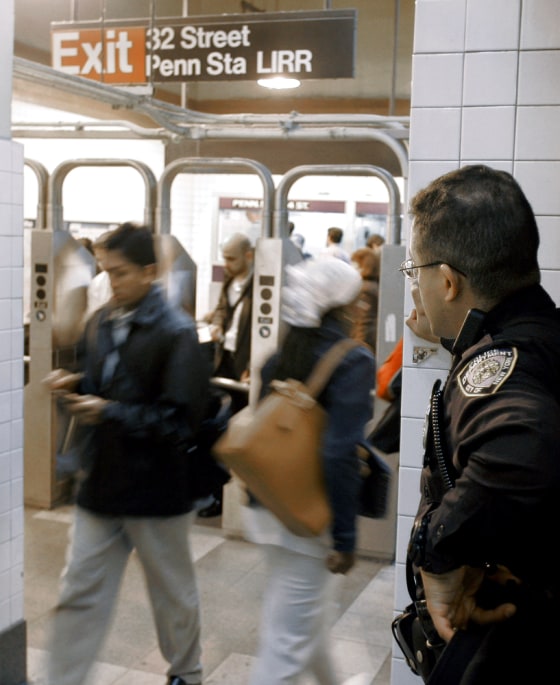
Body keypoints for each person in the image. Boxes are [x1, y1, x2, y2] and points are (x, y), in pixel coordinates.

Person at [401, 164, 560, 683]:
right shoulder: (541, 337)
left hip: (513, 644)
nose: (415, 287)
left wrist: (438, 552)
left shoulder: (501, 362)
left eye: (415, 273)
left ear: (447, 282)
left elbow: (519, 448)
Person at [42, 222, 210, 685]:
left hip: (156, 489)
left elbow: (179, 421)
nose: (108, 282)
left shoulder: (177, 332)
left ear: (150, 272)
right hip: (101, 482)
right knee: (79, 588)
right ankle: (62, 676)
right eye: (104, 271)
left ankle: (186, 675)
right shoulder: (100, 322)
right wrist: (74, 386)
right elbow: (103, 385)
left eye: (118, 273)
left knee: (171, 593)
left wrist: (109, 412)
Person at [242, 258, 375, 685]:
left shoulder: (280, 356)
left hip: (268, 506)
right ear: (338, 306)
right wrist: (345, 538)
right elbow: (339, 453)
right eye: (356, 298)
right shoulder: (352, 360)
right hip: (309, 518)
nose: (363, 306)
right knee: (284, 646)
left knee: (304, 617)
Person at [200, 231, 254, 517]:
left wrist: (254, 364)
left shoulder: (259, 285)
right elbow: (222, 309)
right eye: (224, 258)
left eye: (231, 258)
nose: (227, 264)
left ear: (249, 255)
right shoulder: (230, 282)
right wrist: (218, 324)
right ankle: (217, 494)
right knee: (215, 428)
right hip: (225, 360)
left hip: (244, 366)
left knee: (239, 430)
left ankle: (233, 501)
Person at [350, 246, 381, 354]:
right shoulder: (373, 285)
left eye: (355, 265)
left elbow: (364, 321)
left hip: (364, 342)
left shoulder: (365, 289)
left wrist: (357, 345)